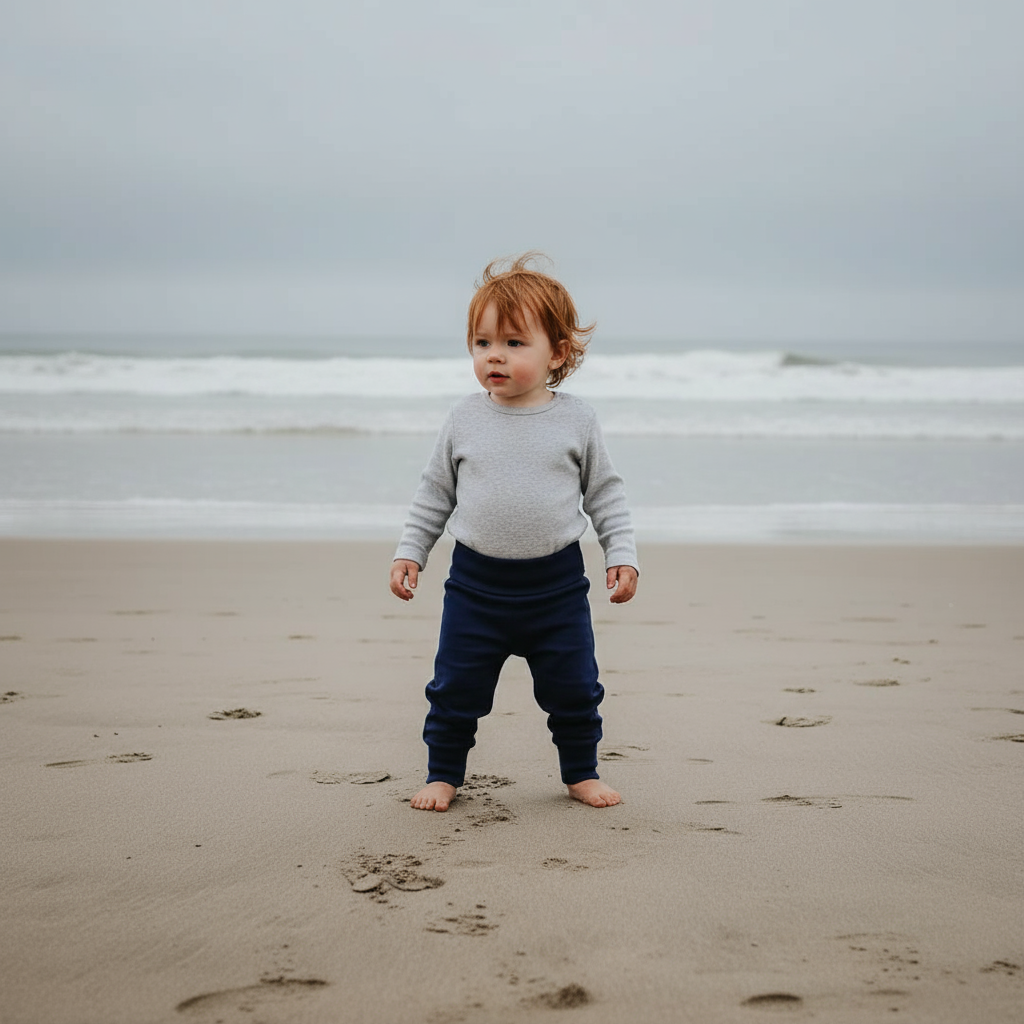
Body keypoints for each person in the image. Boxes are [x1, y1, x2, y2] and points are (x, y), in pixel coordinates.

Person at [389, 253, 639, 812]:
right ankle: (443, 774)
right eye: (482, 343)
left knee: (575, 690)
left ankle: (580, 772)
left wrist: (621, 553)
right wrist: (412, 551)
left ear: (559, 352)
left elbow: (605, 493)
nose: (494, 355)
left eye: (513, 343)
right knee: (455, 691)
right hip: (476, 588)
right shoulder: (464, 418)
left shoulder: (577, 419)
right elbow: (435, 493)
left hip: (557, 590)